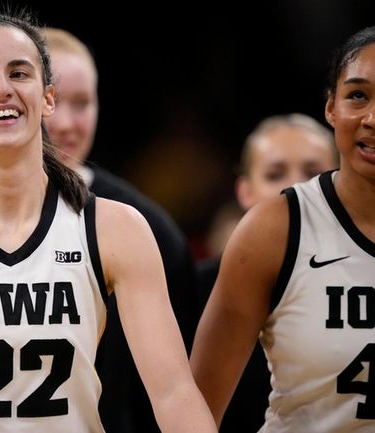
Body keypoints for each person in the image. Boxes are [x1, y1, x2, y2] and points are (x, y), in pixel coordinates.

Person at [0, 11, 217, 433]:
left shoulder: (115, 227)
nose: (2, 89)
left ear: (48, 98)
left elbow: (174, 394)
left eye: (19, 73)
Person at [190, 25, 375, 432]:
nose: (372, 118)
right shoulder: (276, 227)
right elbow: (193, 411)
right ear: (331, 109)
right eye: (358, 95)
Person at [40, 27, 199, 432]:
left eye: (83, 103)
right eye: (53, 101)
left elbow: (176, 387)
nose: (67, 123)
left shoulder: (147, 227)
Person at [195, 113, 339, 433]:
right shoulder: (196, 288)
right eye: (275, 174)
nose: (295, 187)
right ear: (244, 191)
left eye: (313, 172)